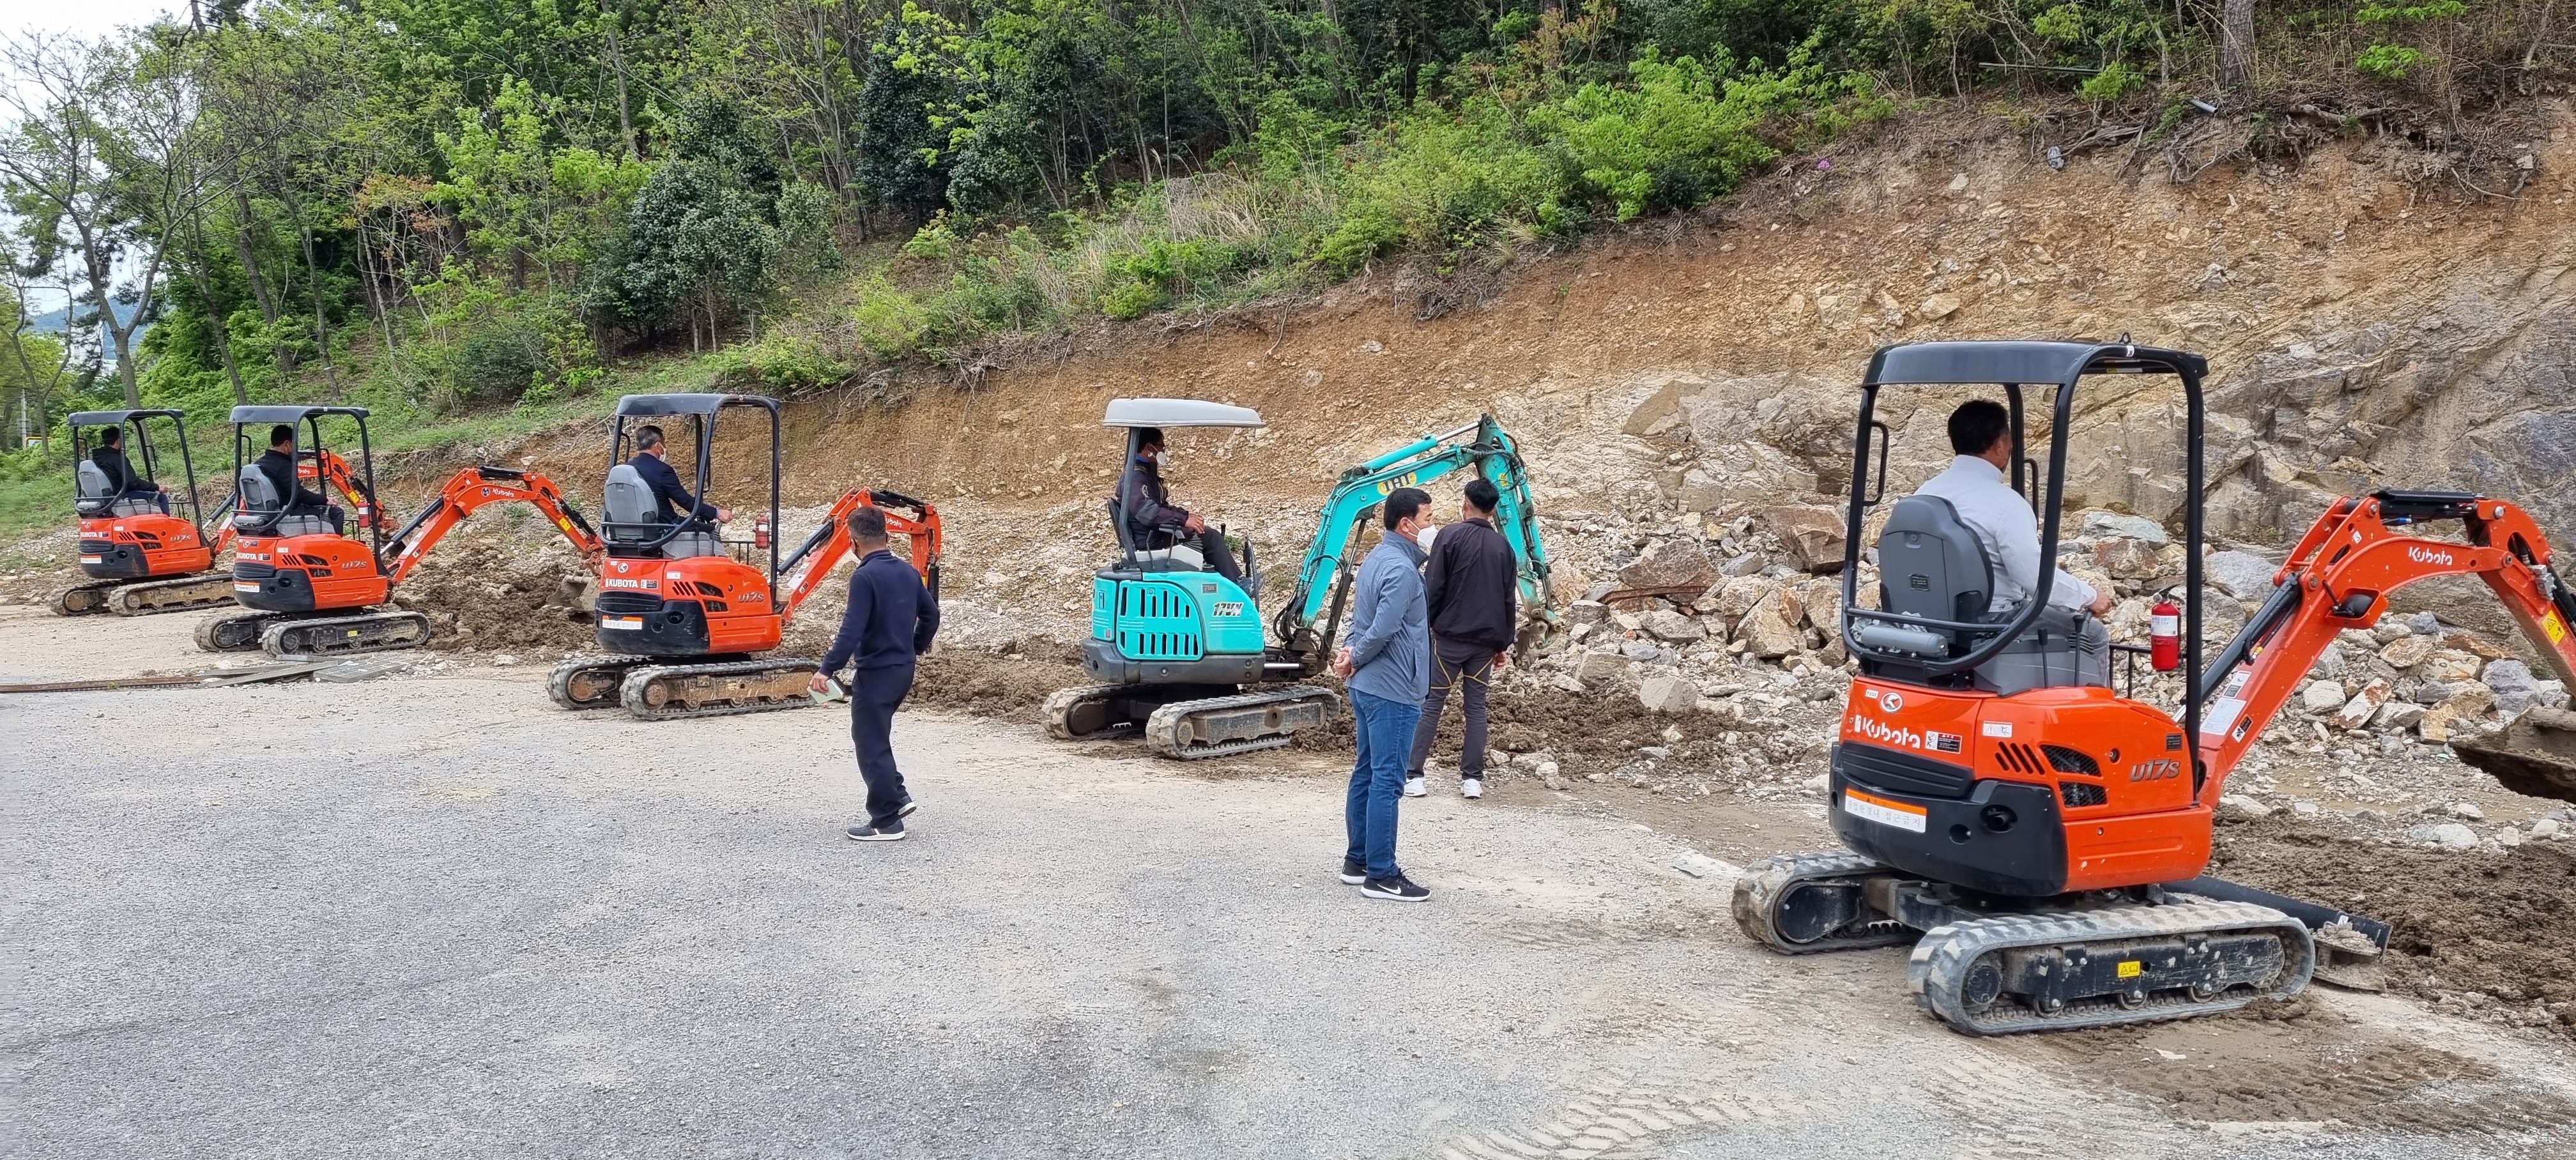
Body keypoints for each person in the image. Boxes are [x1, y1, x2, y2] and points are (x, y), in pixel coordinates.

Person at [811, 505, 942, 842]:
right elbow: (932, 616)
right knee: (877, 737)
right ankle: (897, 796)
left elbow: (851, 630)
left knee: (869, 744)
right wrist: (913, 647)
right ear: (887, 535)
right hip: (902, 671)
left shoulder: (864, 577)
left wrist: (827, 669)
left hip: (877, 673)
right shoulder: (908, 572)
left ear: (853, 542)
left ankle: (886, 822)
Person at [1332, 487, 1434, 902]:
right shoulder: (1403, 571)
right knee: (1387, 780)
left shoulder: (1376, 559)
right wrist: (1355, 655)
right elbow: (1384, 628)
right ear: (1407, 525)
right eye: (1428, 519)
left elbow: (1362, 620)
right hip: (1393, 689)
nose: (1433, 526)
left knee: (1367, 772)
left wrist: (1349, 653)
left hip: (1369, 686)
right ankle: (1382, 875)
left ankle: (1357, 861)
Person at [1918, 401, 2112, 617]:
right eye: (2009, 438)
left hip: (1926, 615)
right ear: (2000, 444)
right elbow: (2033, 577)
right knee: (2093, 633)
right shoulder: (2007, 504)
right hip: (1990, 620)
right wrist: (2089, 596)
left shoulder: (1923, 493)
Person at [1404, 477, 1518, 800]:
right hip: (1484, 646)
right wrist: (1502, 644)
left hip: (1448, 641)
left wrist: (1426, 625)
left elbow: (1434, 586)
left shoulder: (1449, 536)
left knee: (1432, 704)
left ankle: (1413, 776)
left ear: (1465, 503)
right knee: (1476, 708)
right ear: (1493, 510)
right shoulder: (1504, 548)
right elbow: (1508, 599)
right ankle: (1472, 781)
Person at [1119, 427, 1252, 592]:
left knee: (1206, 534)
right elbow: (1147, 513)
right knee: (1209, 537)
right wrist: (1183, 520)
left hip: (1153, 535)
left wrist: (1185, 515)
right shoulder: (1136, 477)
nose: (1163, 451)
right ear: (1149, 447)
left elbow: (1160, 507)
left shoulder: (1143, 473)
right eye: (1161, 447)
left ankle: (1232, 585)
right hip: (1151, 541)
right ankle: (1237, 587)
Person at [629, 424, 732, 530]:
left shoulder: (628, 468)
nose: (665, 448)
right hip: (663, 526)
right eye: (664, 444)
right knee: (708, 530)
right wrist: (716, 513)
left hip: (633, 525)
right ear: (657, 446)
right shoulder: (663, 470)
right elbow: (685, 501)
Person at [254, 424, 345, 536]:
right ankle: (333, 545)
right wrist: (325, 500)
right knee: (336, 513)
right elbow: (299, 495)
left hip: (271, 512)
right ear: (287, 444)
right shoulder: (283, 465)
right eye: (294, 444)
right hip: (287, 512)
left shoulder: (260, 464)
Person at [91, 427, 169, 513]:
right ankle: (167, 521)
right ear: (119, 440)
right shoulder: (118, 459)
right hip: (121, 496)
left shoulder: (97, 458)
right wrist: (156, 487)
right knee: (161, 497)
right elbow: (133, 482)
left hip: (108, 497)